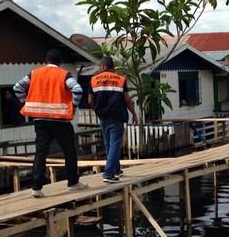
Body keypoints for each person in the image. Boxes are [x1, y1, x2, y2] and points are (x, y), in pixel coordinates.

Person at [14, 49, 88, 198]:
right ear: (60, 62)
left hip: (40, 120)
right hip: (59, 120)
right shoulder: (64, 74)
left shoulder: (34, 73)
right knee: (69, 151)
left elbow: (17, 87)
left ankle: (36, 188)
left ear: (46, 60)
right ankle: (73, 183)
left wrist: (26, 102)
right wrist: (72, 108)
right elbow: (78, 90)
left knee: (41, 153)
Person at [88, 56, 138, 184]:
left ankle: (116, 170)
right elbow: (127, 99)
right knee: (115, 144)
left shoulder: (93, 80)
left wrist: (97, 111)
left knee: (108, 144)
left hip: (103, 116)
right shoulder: (121, 79)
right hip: (117, 116)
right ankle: (108, 173)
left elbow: (90, 100)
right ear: (112, 67)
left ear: (102, 67)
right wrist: (134, 114)